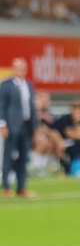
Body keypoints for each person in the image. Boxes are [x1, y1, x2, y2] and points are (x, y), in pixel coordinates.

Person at [0, 57, 37, 198]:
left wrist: (34, 127)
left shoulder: (29, 85)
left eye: (23, 69)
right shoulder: (6, 85)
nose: (20, 71)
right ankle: (6, 186)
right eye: (18, 69)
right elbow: (2, 105)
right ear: (13, 69)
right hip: (12, 125)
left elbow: (31, 107)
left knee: (24, 157)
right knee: (8, 156)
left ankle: (21, 186)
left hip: (26, 126)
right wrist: (2, 124)